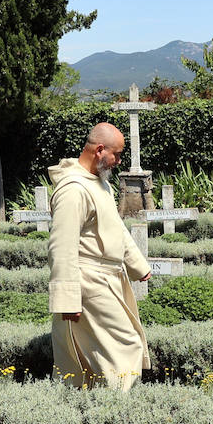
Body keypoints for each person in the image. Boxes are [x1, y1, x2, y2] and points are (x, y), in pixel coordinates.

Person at [46, 122, 151, 391]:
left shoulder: (98, 183)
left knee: (95, 354)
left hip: (108, 278)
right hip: (89, 281)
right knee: (126, 343)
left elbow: (115, 227)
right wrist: (67, 299)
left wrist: (138, 266)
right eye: (116, 154)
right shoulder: (73, 189)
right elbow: (62, 246)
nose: (118, 161)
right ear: (100, 150)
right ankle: (116, 410)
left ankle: (95, 406)